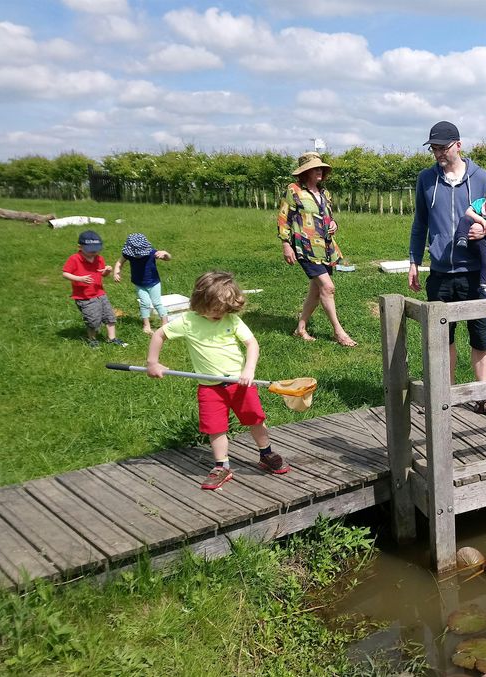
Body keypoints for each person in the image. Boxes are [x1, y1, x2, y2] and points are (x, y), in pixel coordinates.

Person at [146, 271, 289, 490]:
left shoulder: (232, 319)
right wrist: (153, 362)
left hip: (240, 385)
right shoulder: (187, 321)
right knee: (216, 428)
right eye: (214, 311)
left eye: (224, 311)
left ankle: (266, 454)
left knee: (255, 419)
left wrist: (249, 369)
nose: (219, 315)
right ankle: (222, 466)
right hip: (210, 388)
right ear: (200, 301)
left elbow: (252, 344)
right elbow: (159, 335)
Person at [408, 120, 486, 420]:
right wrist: (414, 260)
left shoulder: (482, 178)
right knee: (443, 338)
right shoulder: (426, 180)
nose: (438, 153)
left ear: (459, 145)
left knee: (480, 335)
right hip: (440, 273)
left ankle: (482, 396)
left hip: (475, 273)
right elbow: (420, 223)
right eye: (434, 148)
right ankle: (446, 395)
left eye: (443, 147)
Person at [278, 151, 357, 347]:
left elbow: (327, 217)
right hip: (305, 247)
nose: (319, 171)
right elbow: (283, 218)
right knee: (328, 288)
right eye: (315, 168)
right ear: (306, 172)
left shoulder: (324, 193)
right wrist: (286, 244)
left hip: (325, 247)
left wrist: (334, 224)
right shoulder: (294, 191)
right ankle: (339, 332)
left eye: (321, 167)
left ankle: (300, 329)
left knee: (316, 290)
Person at [61, 230, 127, 348]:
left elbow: (102, 274)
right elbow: (65, 273)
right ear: (80, 247)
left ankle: (112, 338)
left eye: (96, 250)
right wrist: (79, 278)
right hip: (85, 296)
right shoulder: (74, 259)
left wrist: (107, 271)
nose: (93, 252)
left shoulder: (99, 258)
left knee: (110, 316)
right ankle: (92, 339)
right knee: (93, 319)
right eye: (90, 250)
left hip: (100, 293)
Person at [113, 233, 173, 334]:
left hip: (154, 283)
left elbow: (168, 258)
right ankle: (146, 325)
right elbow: (120, 262)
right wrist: (116, 272)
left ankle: (165, 324)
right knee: (144, 303)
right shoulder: (129, 254)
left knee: (157, 303)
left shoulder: (151, 252)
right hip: (139, 284)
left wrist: (165, 253)